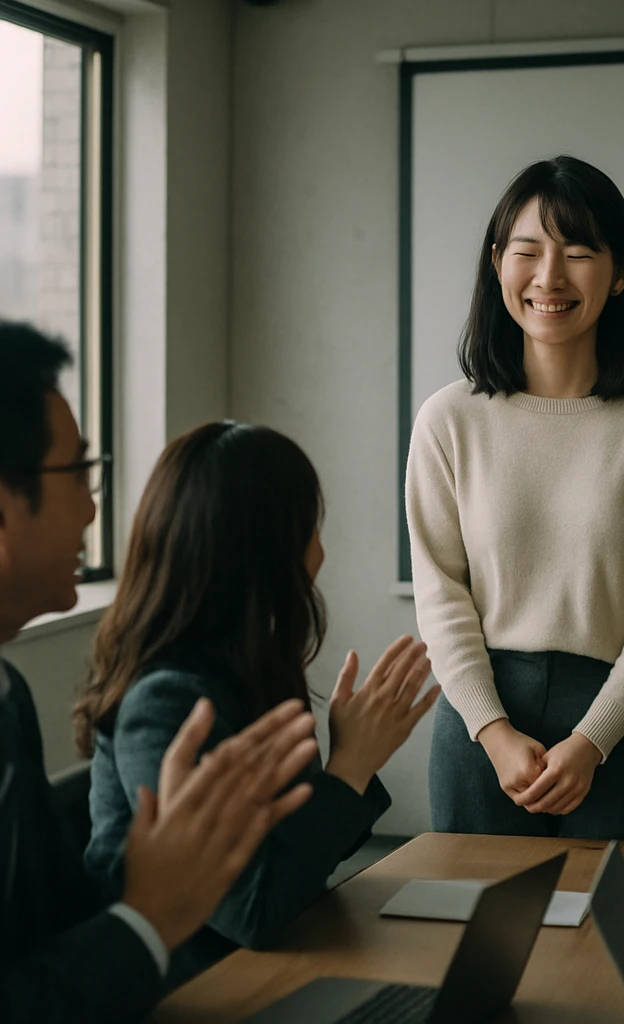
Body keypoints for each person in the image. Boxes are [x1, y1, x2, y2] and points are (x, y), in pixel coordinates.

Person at [0, 320, 320, 1022]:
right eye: (79, 472)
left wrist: (163, 874)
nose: (94, 505)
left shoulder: (7, 692)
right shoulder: (170, 695)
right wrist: (148, 912)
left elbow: (44, 927)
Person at [406, 155, 624, 840]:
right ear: (497, 263)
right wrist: (490, 730)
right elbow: (441, 594)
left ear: (622, 271)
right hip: (482, 716)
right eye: (527, 252)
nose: (549, 277)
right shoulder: (448, 419)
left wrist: (592, 740)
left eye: (578, 253)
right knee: (476, 939)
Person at [77, 419, 440, 987]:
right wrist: (348, 770)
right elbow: (250, 912)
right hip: (194, 992)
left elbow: (296, 859)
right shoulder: (167, 703)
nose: (321, 547)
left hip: (275, 964)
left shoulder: (249, 666)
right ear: (268, 546)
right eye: (310, 525)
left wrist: (352, 761)